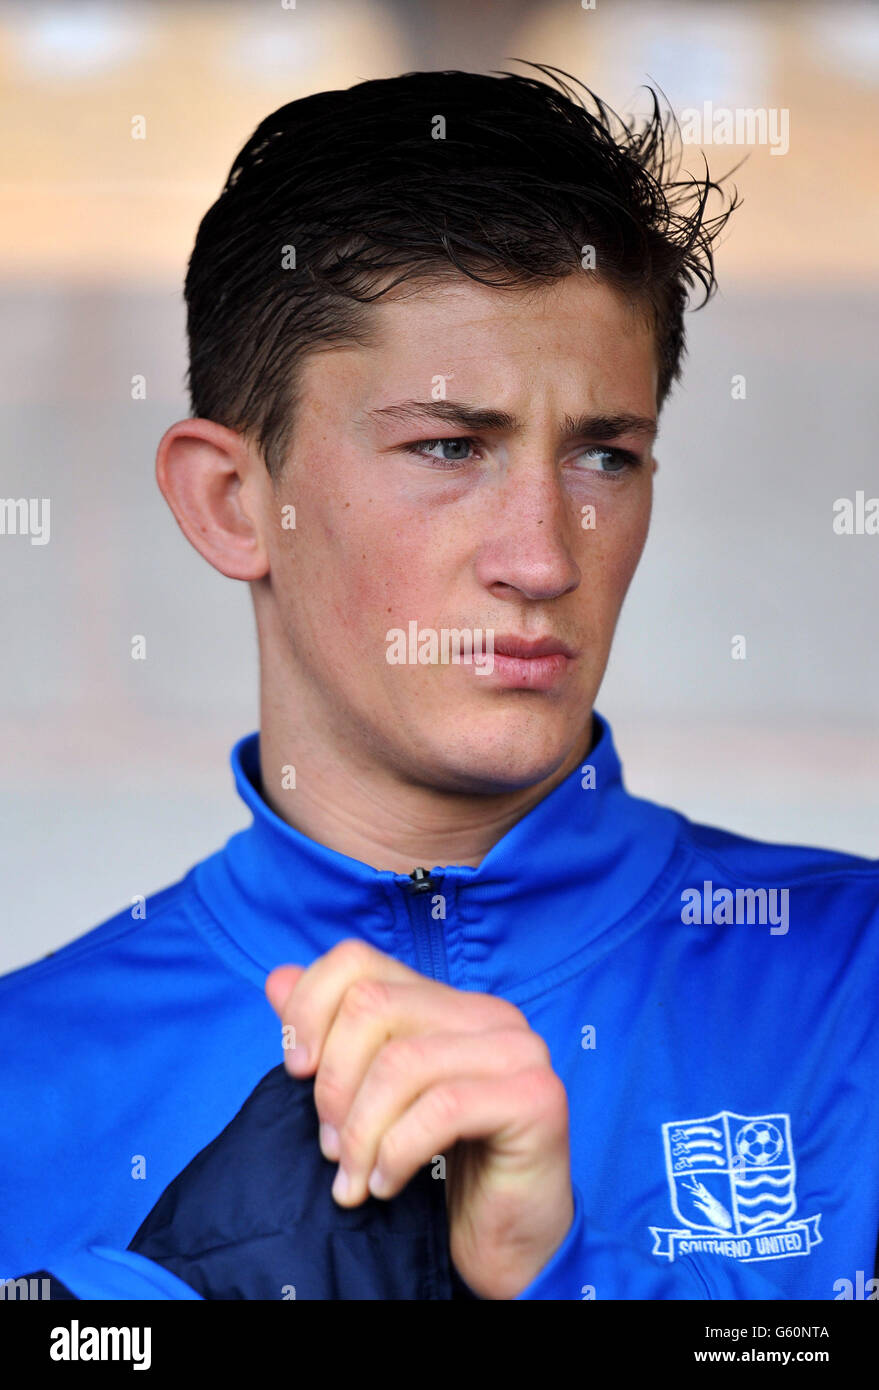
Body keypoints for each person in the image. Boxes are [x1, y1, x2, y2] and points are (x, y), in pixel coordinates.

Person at [2, 65, 877, 1302]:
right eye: (450, 446)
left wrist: (551, 1278)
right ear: (233, 501)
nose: (543, 555)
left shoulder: (855, 989)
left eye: (605, 455)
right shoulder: (21, 1078)